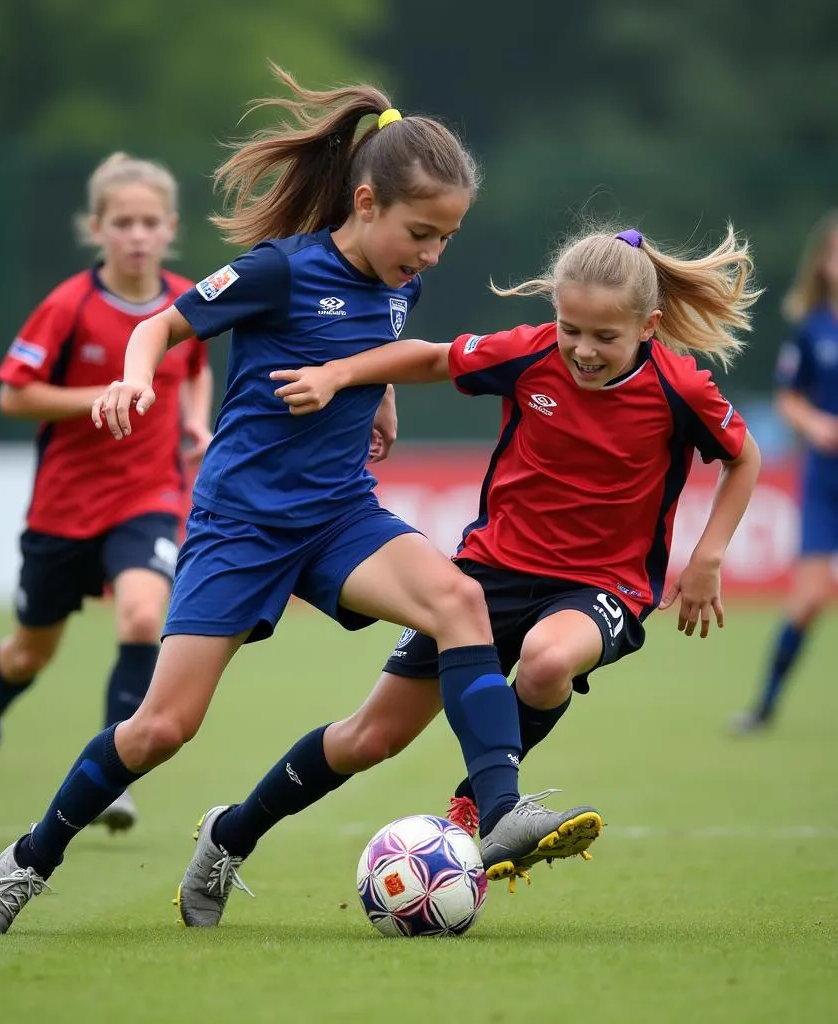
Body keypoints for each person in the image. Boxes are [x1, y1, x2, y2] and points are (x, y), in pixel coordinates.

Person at [0, 65, 599, 935]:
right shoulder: (278, 270)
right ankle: (28, 860)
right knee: (159, 729)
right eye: (422, 232)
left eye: (448, 237)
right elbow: (160, 324)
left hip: (339, 514)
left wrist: (379, 396)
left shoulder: (399, 281)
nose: (433, 255)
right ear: (366, 202)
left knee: (459, 599)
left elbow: (374, 339)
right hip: (242, 525)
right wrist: (134, 381)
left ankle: (498, 810)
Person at [169, 222, 763, 927]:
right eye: (570, 328)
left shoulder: (680, 387)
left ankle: (481, 804)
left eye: (605, 337)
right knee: (368, 738)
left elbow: (743, 457)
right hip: (488, 576)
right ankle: (229, 835)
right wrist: (340, 373)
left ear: (649, 326)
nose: (582, 350)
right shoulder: (529, 354)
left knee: (546, 662)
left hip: (604, 586)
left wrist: (709, 555)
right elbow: (427, 359)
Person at [0, 153, 213, 832]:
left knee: (144, 617)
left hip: (147, 497)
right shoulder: (69, 305)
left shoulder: (187, 301)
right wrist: (110, 391)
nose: (137, 235)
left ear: (171, 227)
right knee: (29, 652)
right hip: (63, 511)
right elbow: (11, 395)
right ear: (96, 227)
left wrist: (196, 420)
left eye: (150, 221)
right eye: (122, 222)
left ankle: (111, 776)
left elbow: (198, 364)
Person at [732, 211, 838, 733]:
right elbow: (789, 400)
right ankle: (765, 705)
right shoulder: (812, 329)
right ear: (823, 263)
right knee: (810, 599)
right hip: (825, 479)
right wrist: (816, 424)